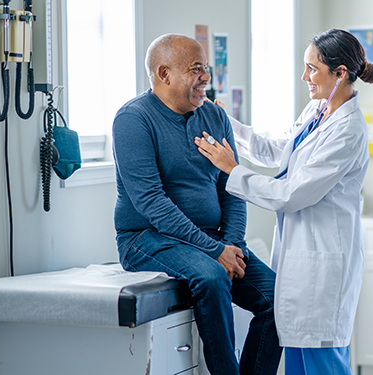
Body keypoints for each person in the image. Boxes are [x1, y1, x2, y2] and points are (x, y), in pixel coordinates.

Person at [195, 28, 373, 375]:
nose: (304, 77)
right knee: (297, 359)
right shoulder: (317, 110)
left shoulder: (348, 130)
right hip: (300, 261)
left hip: (324, 264)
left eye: (312, 68)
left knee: (322, 364)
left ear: (340, 73)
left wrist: (232, 170)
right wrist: (226, 121)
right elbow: (277, 150)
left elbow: (292, 194)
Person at [111, 33, 282, 375]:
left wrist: (232, 243)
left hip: (210, 238)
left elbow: (230, 187)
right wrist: (216, 251)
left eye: (206, 68)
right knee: (212, 276)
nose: (206, 77)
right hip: (147, 238)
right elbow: (151, 203)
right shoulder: (133, 120)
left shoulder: (215, 118)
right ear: (164, 74)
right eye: (196, 69)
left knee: (279, 298)